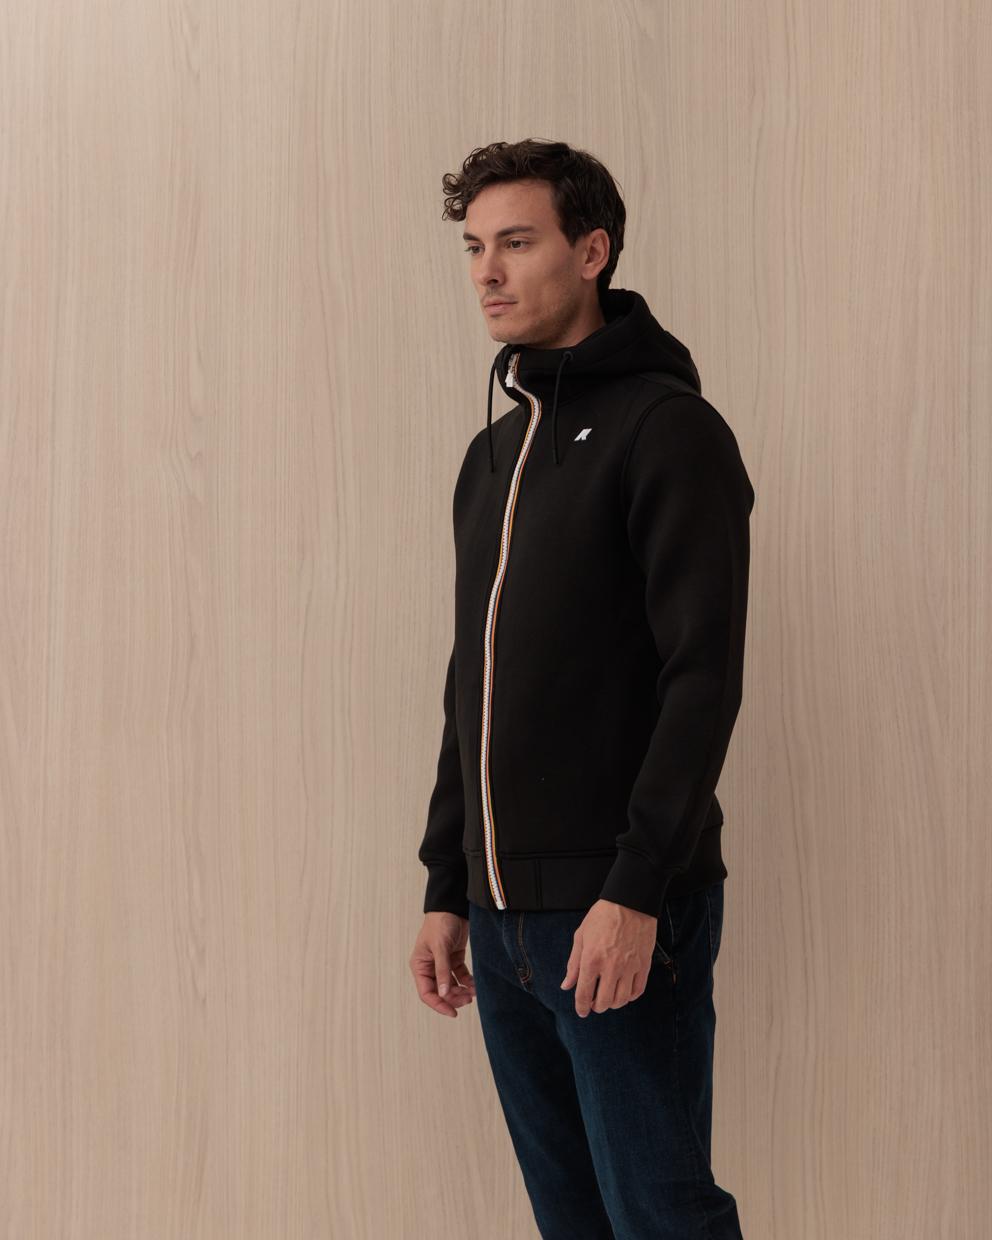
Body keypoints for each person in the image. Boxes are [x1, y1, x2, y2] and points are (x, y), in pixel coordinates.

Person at [409, 137, 753, 1240]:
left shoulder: (668, 432)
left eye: (516, 242)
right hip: (502, 919)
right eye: (474, 247)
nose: (487, 272)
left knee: (661, 1217)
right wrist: (447, 883)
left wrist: (636, 890)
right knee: (571, 1223)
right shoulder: (491, 457)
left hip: (617, 907)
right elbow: (472, 681)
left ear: (592, 251)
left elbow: (701, 678)